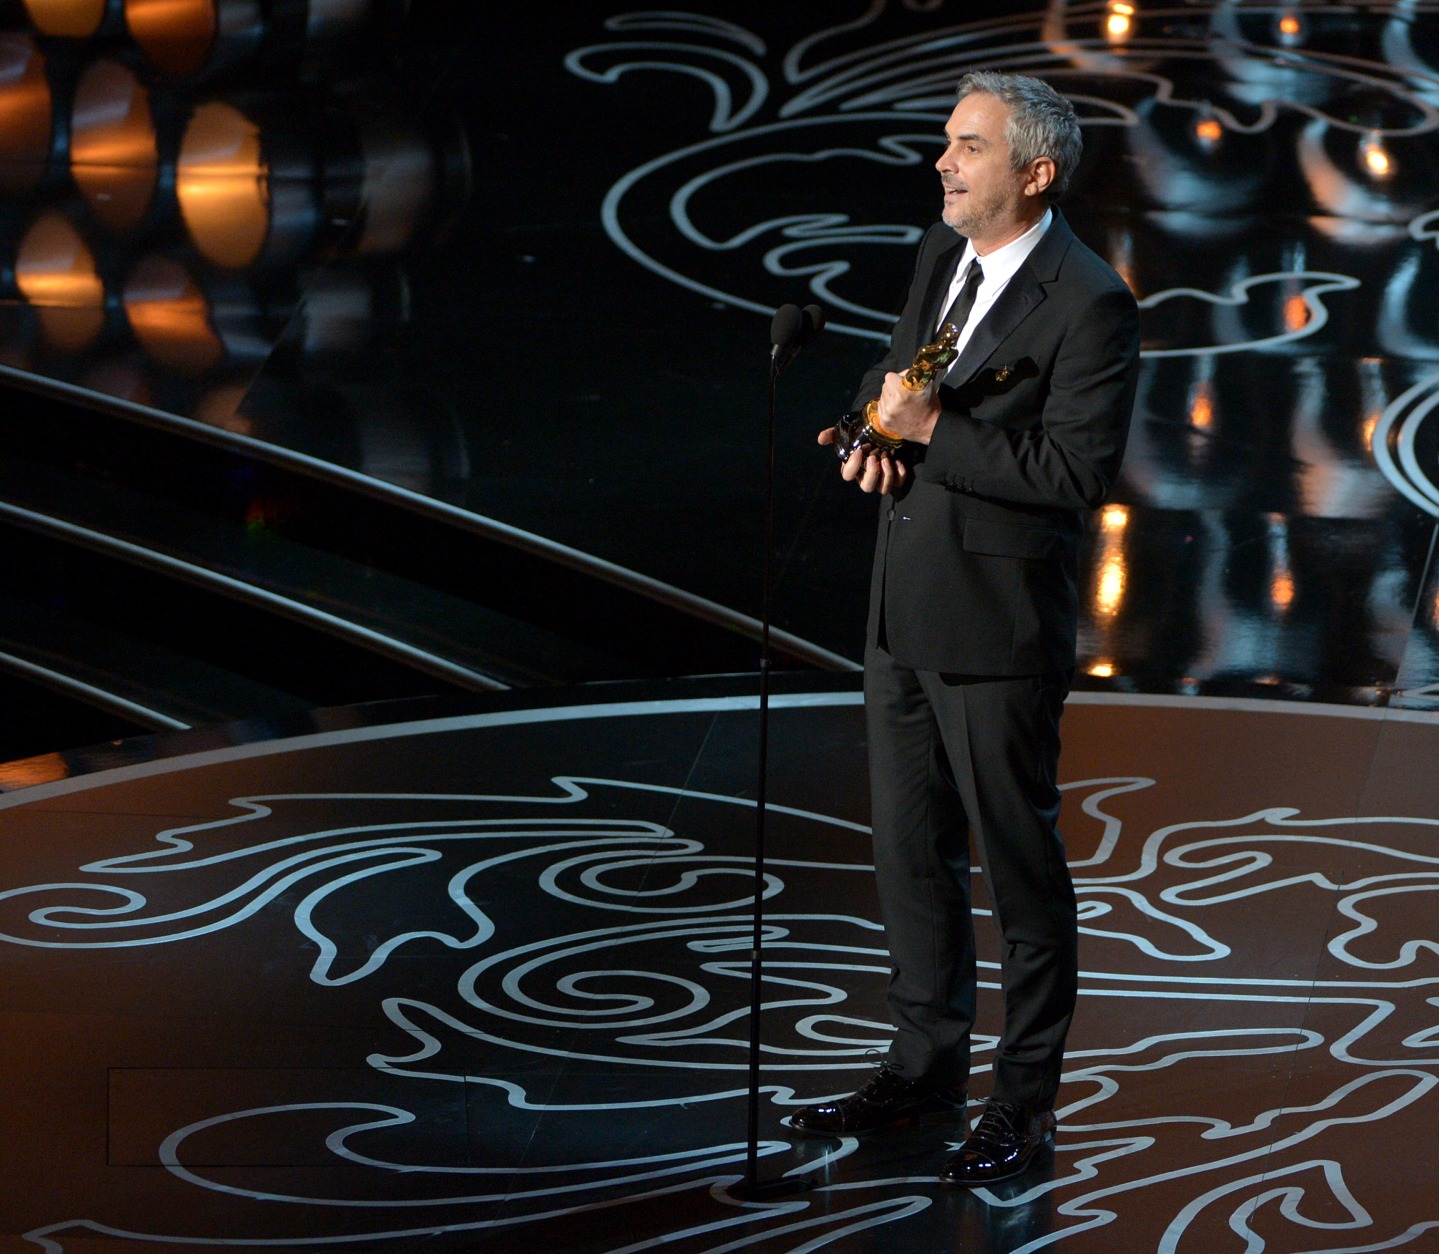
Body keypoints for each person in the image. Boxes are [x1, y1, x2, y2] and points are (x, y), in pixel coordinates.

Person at [792, 70, 1140, 1186]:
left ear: (1033, 174)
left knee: (1018, 872)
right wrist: (866, 424)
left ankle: (1021, 1107)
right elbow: (897, 376)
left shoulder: (1088, 300)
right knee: (910, 855)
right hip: (899, 608)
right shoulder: (942, 253)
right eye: (947, 141)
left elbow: (1074, 473)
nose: (942, 163)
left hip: (994, 629)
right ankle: (922, 1070)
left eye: (968, 146)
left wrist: (929, 429)